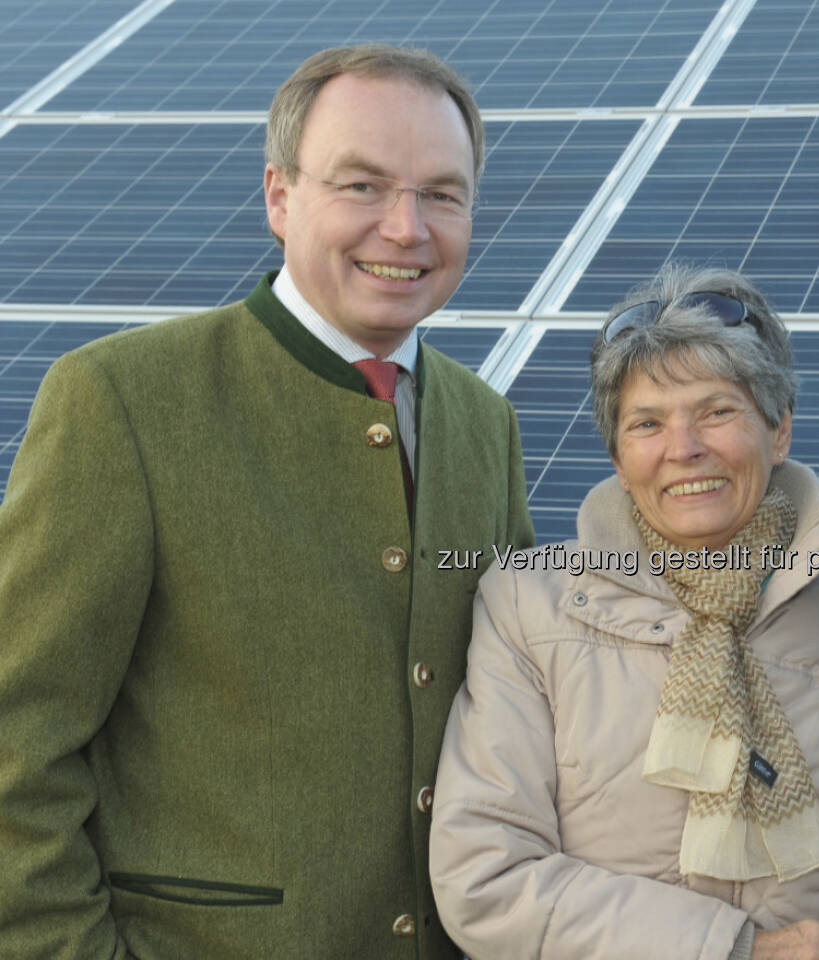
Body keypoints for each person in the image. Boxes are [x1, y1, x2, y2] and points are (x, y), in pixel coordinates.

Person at [0, 44, 533, 959]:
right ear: (279, 198)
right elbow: (17, 740)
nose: (406, 228)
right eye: (362, 186)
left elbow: (523, 710)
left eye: (443, 194)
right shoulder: (121, 400)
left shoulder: (487, 424)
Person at [429, 265, 819, 960]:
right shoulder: (529, 608)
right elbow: (486, 877)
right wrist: (739, 950)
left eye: (717, 411)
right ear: (617, 456)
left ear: (780, 429)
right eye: (647, 423)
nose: (684, 448)